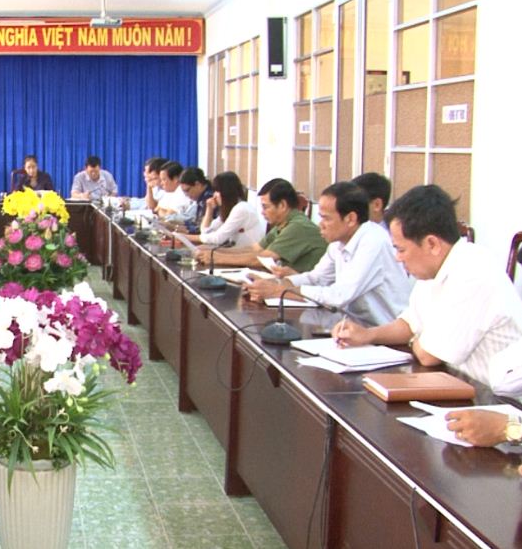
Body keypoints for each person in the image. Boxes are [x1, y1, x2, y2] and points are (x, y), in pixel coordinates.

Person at [330, 186, 522, 446]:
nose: (397, 258)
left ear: (432, 244)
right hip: (469, 394)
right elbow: (410, 324)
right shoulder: (434, 270)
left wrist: (511, 429)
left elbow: (429, 355)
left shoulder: (473, 272)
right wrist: (368, 335)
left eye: (401, 249)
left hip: (500, 405)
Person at [245, 181, 411, 326]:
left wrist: (278, 290)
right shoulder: (338, 243)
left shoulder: (374, 242)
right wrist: (275, 283)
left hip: (386, 334)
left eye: (326, 218)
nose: (321, 225)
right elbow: (316, 278)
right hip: (354, 326)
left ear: (350, 219)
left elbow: (338, 296)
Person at [200, 178, 326, 273]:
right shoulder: (283, 223)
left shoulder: (298, 226)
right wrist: (214, 251)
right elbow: (255, 249)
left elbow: (262, 259)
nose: (262, 212)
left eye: (266, 207)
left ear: (282, 205)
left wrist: (216, 258)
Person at [184, 172, 264, 248]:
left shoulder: (241, 209)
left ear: (226, 192)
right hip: (237, 251)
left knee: (203, 250)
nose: (214, 195)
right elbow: (206, 232)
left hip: (248, 254)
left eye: (217, 191)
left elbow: (218, 238)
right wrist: (209, 209)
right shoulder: (229, 209)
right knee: (202, 249)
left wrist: (186, 237)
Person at [175, 167, 214, 234]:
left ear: (198, 184)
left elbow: (203, 229)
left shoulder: (209, 198)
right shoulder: (201, 198)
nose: (186, 195)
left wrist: (183, 230)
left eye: (187, 190)